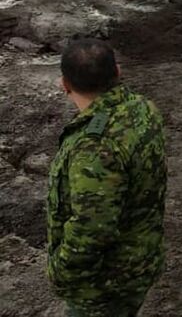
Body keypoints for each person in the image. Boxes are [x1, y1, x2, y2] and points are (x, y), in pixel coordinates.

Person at [48, 39, 168, 316]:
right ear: (117, 71)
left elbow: (92, 231)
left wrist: (60, 273)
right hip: (141, 260)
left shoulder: (94, 148)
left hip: (104, 285)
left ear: (64, 84)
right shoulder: (142, 108)